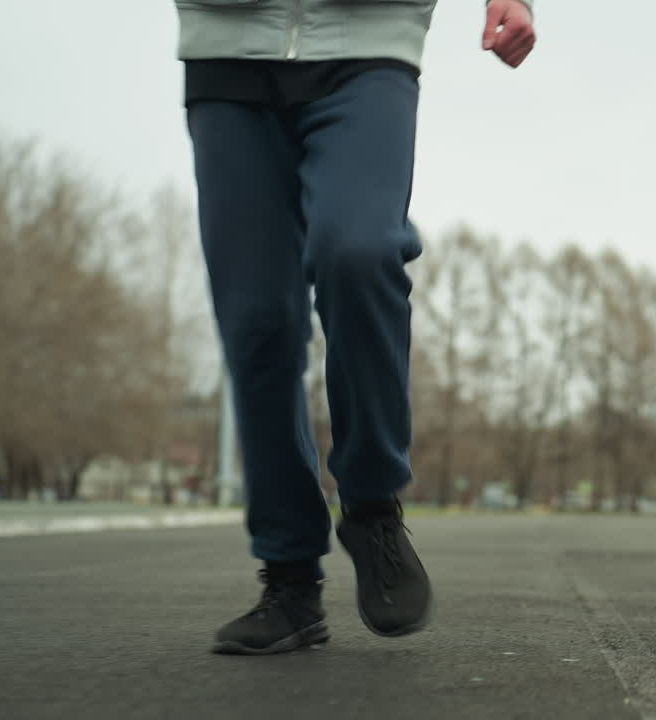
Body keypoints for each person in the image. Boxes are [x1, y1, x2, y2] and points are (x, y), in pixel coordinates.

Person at [173, 0, 537, 655]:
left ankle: (372, 506)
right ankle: (289, 581)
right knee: (258, 319)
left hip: (369, 42)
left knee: (360, 249)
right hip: (226, 49)